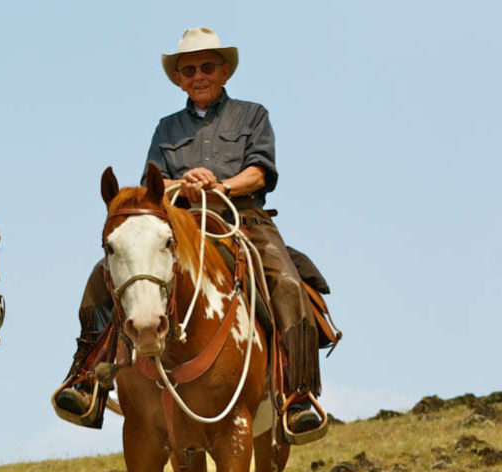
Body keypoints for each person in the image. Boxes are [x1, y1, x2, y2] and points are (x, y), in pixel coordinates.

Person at [54, 27, 327, 441]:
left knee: (287, 283)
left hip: (243, 219)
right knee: (104, 272)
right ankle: (88, 379)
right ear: (179, 79)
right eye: (188, 70)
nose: (197, 76)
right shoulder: (166, 128)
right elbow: (153, 183)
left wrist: (219, 184)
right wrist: (182, 183)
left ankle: (297, 395)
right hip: (179, 223)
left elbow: (260, 172)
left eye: (206, 67)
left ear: (224, 72)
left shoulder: (253, 115)